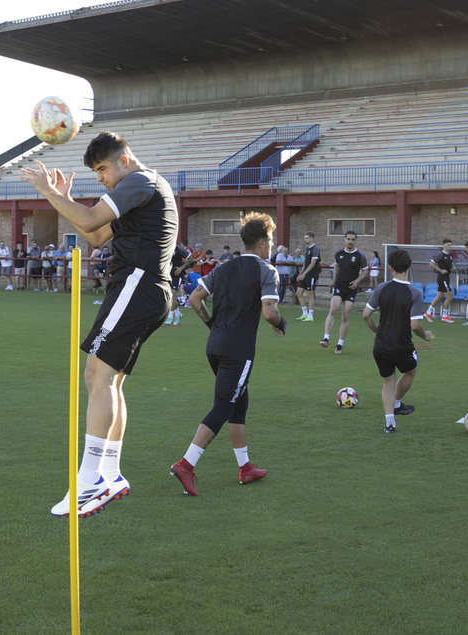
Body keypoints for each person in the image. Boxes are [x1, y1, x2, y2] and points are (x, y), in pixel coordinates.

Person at [22, 131, 178, 518]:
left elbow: (90, 218)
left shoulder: (141, 181)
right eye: (95, 172)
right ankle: (108, 473)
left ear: (123, 159)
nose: (101, 178)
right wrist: (63, 199)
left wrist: (49, 194)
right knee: (111, 381)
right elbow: (94, 233)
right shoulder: (141, 190)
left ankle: (89, 478)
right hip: (144, 290)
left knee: (96, 376)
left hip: (137, 285)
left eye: (103, 169)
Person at [170, 212, 286, 496]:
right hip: (238, 350)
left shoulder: (222, 268)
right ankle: (186, 464)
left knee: (238, 403)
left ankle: (245, 468)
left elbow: (195, 299)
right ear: (261, 242)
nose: (271, 244)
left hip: (215, 345)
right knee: (223, 406)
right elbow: (270, 312)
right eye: (270, 239)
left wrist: (211, 324)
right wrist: (281, 324)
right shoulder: (266, 270)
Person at [362, 248, 433, 434]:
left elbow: (366, 315)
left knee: (387, 382)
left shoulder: (381, 288)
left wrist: (377, 332)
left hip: (381, 346)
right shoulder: (415, 293)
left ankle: (390, 424)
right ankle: (398, 403)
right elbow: (415, 325)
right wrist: (425, 336)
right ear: (409, 267)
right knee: (411, 370)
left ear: (391, 268)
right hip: (402, 345)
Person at [320, 231, 369, 354]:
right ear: (344, 239)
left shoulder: (360, 256)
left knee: (345, 316)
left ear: (355, 240)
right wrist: (334, 280)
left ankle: (340, 344)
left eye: (353, 239)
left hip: (351, 289)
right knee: (333, 309)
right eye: (348, 239)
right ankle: (326, 338)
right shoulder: (339, 253)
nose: (350, 241)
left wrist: (357, 281)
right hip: (339, 286)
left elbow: (365, 271)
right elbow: (336, 265)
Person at [424, 239, 456, 324]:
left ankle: (428, 312)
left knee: (439, 297)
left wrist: (453, 267)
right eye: (448, 245)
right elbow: (431, 263)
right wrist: (440, 270)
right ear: (444, 245)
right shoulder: (440, 255)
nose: (450, 246)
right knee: (450, 296)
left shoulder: (450, 255)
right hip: (442, 278)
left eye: (451, 245)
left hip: (446, 277)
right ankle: (444, 315)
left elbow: (451, 264)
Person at [295, 232, 321, 321]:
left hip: (311, 275)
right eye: (304, 238)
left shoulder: (315, 249)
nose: (305, 240)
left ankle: (310, 316)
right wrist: (301, 274)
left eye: (306, 238)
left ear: (311, 238)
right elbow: (305, 263)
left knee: (310, 295)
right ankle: (304, 313)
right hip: (305, 275)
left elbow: (313, 263)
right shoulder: (307, 249)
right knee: (298, 293)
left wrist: (304, 274)